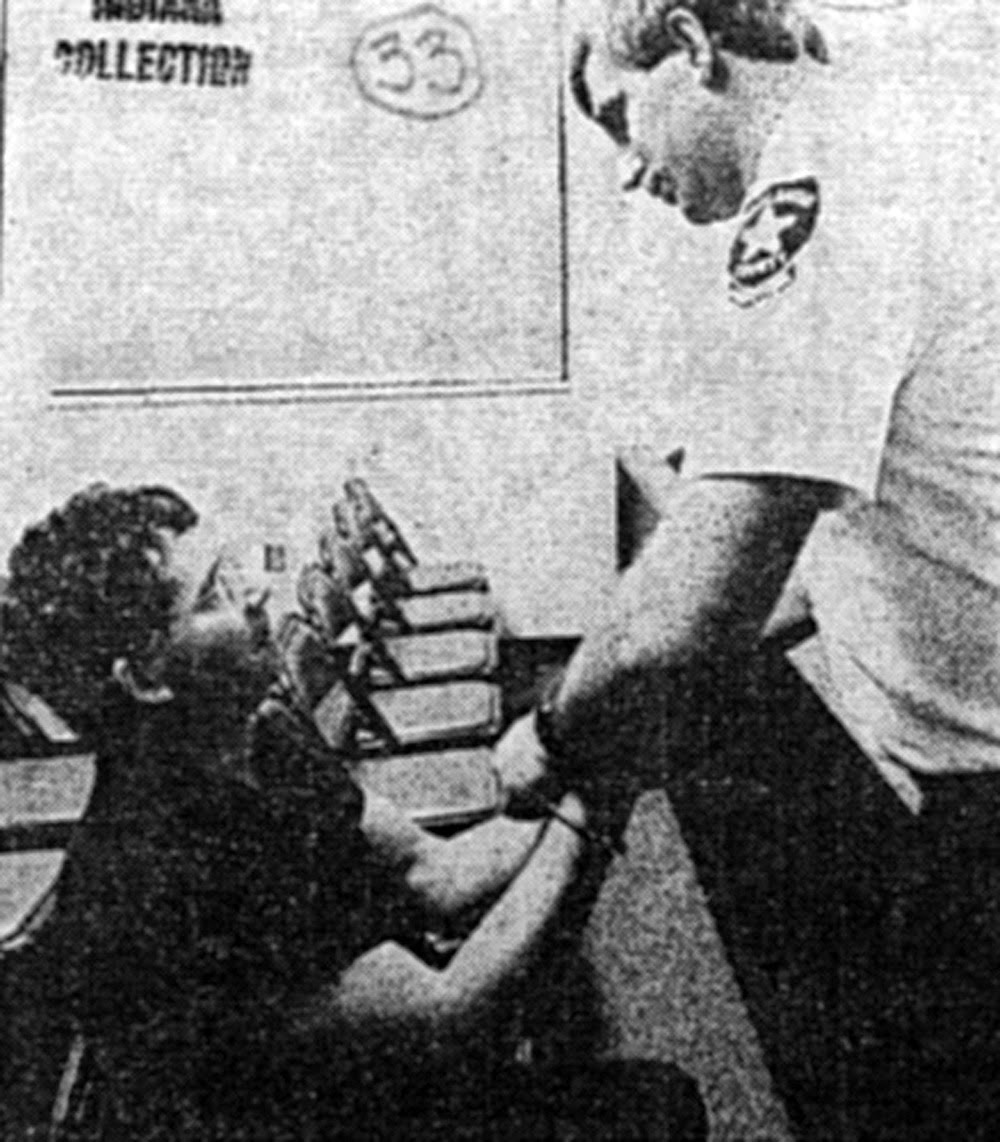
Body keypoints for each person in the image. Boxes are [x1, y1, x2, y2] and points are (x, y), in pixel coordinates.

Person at [497, 0, 1000, 1136]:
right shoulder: (878, 137)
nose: (629, 168)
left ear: (692, 46)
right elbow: (805, 564)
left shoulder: (818, 198)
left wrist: (554, 731)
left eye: (622, 118)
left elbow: (687, 612)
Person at [0, 484, 587, 1137]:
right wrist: (588, 811)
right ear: (144, 678)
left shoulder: (264, 734)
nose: (254, 593)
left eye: (234, 571)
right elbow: (447, 1012)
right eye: (214, 594)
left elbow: (433, 872)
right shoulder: (156, 868)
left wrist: (579, 767)